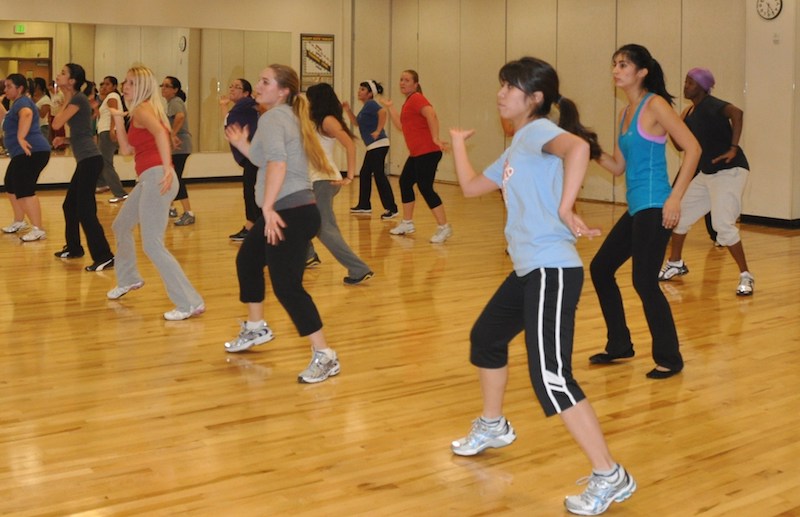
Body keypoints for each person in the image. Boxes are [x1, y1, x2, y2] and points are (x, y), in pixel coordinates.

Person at [449, 57, 635, 516]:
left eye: (510, 88)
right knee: (486, 338)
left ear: (534, 99)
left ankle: (610, 475)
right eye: (501, 85)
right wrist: (456, 145)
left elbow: (577, 150)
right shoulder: (517, 148)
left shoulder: (536, 132)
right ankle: (493, 425)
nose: (501, 94)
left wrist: (568, 206)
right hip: (529, 270)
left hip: (551, 269)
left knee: (551, 377)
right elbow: (471, 187)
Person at [588, 44, 701, 379]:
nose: (616, 70)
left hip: (656, 204)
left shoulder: (655, 105)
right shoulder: (626, 113)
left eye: (623, 64)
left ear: (642, 72)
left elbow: (693, 148)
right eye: (614, 64)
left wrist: (676, 198)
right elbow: (619, 166)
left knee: (644, 281)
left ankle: (670, 358)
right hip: (637, 206)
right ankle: (620, 344)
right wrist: (590, 147)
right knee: (601, 268)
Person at [223, 64, 341, 384]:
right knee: (247, 261)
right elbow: (267, 159)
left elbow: (278, 164)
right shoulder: (284, 117)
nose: (258, 86)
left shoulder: (275, 117)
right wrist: (243, 146)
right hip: (292, 209)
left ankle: (325, 355)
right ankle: (256, 327)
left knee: (287, 286)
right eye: (258, 80)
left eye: (265, 82)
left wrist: (268, 206)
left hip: (289, 211)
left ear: (283, 90)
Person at [106, 65, 205, 321]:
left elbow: (162, 133)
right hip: (148, 179)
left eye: (129, 83)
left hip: (156, 177)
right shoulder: (136, 111)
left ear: (141, 87)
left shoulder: (142, 108)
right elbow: (127, 150)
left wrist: (167, 168)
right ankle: (129, 278)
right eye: (125, 82)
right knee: (121, 226)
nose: (124, 86)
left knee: (152, 244)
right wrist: (117, 116)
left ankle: (189, 302)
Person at [658, 67, 754, 296]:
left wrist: (733, 147)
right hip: (708, 173)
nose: (686, 86)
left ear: (702, 86)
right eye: (685, 82)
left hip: (729, 172)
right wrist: (675, 124)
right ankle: (675, 263)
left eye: (690, 82)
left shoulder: (712, 104)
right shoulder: (690, 112)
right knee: (678, 217)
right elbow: (681, 146)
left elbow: (737, 113)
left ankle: (746, 276)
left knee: (722, 226)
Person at [305, 82, 374, 285]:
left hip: (324, 180)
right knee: (299, 217)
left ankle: (359, 269)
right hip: (315, 180)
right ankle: (307, 255)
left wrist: (350, 176)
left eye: (310, 99)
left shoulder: (328, 121)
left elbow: (350, 145)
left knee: (325, 227)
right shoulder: (317, 120)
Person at [51, 63, 115, 272]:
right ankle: (74, 248)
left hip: (90, 161)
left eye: (63, 73)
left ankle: (104, 256)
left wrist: (65, 95)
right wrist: (66, 140)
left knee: (85, 210)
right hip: (87, 159)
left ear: (72, 81)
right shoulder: (75, 98)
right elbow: (83, 133)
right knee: (70, 205)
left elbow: (56, 122)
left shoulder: (77, 99)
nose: (58, 75)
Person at [382, 69, 452, 243]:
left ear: (415, 84)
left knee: (425, 187)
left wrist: (435, 137)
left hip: (428, 151)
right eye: (401, 80)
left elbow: (431, 114)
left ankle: (444, 227)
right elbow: (401, 126)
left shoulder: (417, 98)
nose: (402, 83)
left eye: (406, 80)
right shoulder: (409, 102)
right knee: (405, 182)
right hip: (417, 154)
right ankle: (407, 222)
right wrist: (390, 107)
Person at [0, 73, 51, 241]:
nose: (5, 89)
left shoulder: (22, 102)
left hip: (32, 151)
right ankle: (19, 221)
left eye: (9, 86)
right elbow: (5, 119)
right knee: (11, 184)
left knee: (24, 188)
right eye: (5, 86)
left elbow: (27, 114)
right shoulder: (16, 104)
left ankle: (38, 229)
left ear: (19, 88)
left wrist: (21, 137)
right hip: (23, 153)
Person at [343, 80, 398, 219]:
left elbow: (383, 113)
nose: (359, 91)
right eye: (359, 89)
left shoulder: (371, 104)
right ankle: (364, 205)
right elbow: (356, 122)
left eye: (362, 89)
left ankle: (392, 208)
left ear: (369, 93)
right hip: (374, 146)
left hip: (379, 144)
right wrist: (348, 110)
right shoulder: (366, 107)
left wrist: (378, 130)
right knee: (365, 173)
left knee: (379, 175)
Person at [222, 78, 260, 241]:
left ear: (246, 93)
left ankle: (252, 227)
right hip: (249, 155)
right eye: (231, 86)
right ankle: (253, 226)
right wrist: (223, 106)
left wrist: (258, 97)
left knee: (250, 191)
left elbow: (257, 103)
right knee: (249, 191)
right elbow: (228, 123)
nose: (232, 89)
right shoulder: (238, 109)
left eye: (237, 87)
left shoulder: (246, 103)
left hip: (253, 155)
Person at [161, 76, 195, 225]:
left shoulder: (175, 102)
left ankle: (188, 212)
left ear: (175, 90)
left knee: (176, 178)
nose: (164, 88)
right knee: (172, 177)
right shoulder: (171, 103)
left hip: (180, 146)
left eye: (167, 86)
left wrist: (173, 134)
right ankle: (171, 208)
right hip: (177, 147)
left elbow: (180, 117)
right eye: (162, 85)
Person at [96, 76, 129, 203]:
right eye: (103, 84)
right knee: (102, 160)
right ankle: (102, 183)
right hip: (104, 131)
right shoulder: (107, 98)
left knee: (105, 162)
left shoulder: (112, 97)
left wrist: (111, 130)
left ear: (114, 86)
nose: (104, 86)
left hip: (107, 132)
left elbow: (114, 113)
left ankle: (120, 193)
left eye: (108, 84)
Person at [31, 77, 52, 143]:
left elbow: (42, 115)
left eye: (34, 83)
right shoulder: (31, 96)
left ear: (38, 85)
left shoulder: (46, 99)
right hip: (32, 126)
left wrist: (33, 104)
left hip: (42, 127)